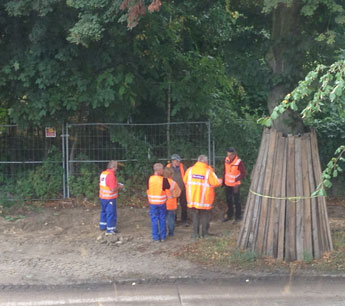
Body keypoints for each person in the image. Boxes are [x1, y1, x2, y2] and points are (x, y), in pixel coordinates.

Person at [183, 155, 222, 239]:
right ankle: (204, 233)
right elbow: (215, 183)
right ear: (205, 162)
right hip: (204, 199)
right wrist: (221, 180)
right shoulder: (208, 171)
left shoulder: (190, 170)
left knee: (195, 216)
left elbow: (185, 180)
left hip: (192, 199)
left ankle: (195, 234)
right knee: (205, 216)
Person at [99, 160, 124, 235]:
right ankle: (111, 230)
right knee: (111, 213)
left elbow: (106, 184)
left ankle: (103, 226)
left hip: (102, 197)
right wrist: (120, 186)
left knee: (104, 211)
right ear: (113, 167)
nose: (117, 169)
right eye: (116, 167)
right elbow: (113, 189)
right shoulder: (111, 175)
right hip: (109, 198)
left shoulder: (103, 173)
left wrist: (116, 184)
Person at [147, 163, 170, 242]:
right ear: (159, 170)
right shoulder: (163, 180)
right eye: (162, 169)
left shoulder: (149, 179)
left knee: (154, 220)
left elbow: (148, 189)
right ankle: (163, 236)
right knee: (162, 219)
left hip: (152, 203)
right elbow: (168, 187)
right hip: (161, 203)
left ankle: (155, 237)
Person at [222, 147, 246, 223]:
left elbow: (243, 173)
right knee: (228, 200)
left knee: (236, 201)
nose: (229, 156)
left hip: (235, 185)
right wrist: (223, 181)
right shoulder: (226, 160)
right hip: (227, 184)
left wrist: (236, 179)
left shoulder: (239, 162)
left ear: (234, 154)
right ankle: (230, 215)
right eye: (228, 154)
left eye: (230, 155)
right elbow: (225, 171)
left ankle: (238, 217)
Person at [166, 154, 188, 226]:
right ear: (173, 161)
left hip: (182, 189)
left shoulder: (183, 167)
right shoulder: (168, 168)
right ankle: (174, 221)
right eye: (177, 161)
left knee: (184, 205)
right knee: (173, 205)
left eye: (179, 161)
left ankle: (184, 220)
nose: (178, 162)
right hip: (173, 190)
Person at [163, 167, 181, 237]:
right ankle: (171, 233)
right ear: (172, 174)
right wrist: (173, 194)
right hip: (172, 204)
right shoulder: (174, 183)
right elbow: (178, 192)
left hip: (163, 203)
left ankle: (163, 232)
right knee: (171, 219)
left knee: (163, 219)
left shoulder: (161, 182)